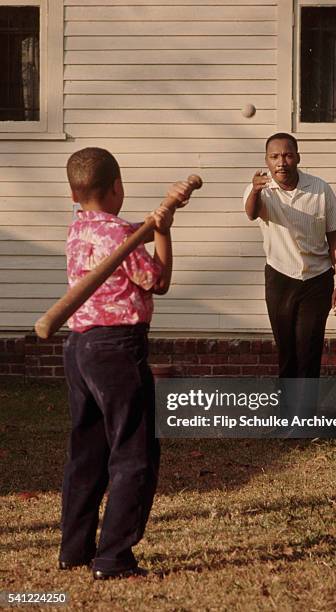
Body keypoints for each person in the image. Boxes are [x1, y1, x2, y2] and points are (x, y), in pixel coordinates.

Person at [59, 147, 190, 580]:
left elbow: (126, 235)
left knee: (88, 452)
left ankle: (75, 549)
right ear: (116, 186)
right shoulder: (116, 236)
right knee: (135, 451)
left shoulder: (79, 229)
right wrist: (165, 235)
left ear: (76, 192)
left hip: (80, 349)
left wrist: (158, 221)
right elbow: (159, 280)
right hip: (116, 349)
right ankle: (114, 558)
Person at [244, 133, 336, 381]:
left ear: (297, 158)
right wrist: (256, 192)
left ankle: (304, 418)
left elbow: (335, 237)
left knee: (308, 354)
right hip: (280, 279)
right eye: (275, 156)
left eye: (288, 155)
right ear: (267, 161)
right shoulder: (260, 189)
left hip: (317, 280)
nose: (282, 162)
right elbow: (252, 213)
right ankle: (287, 416)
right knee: (287, 353)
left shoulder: (320, 189)